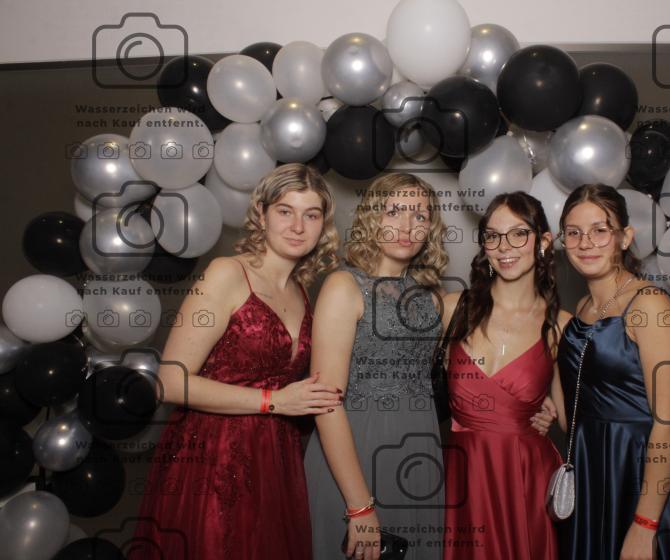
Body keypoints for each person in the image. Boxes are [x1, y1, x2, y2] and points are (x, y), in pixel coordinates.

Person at [128, 164, 341, 560]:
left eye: (311, 215)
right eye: (285, 211)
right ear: (262, 214)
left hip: (276, 457)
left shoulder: (302, 292)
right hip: (214, 453)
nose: (298, 226)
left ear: (322, 226)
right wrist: (274, 401)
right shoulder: (227, 273)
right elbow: (170, 382)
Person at [304, 173, 451, 560]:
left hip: (419, 452)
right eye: (395, 211)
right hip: (355, 453)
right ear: (373, 216)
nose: (407, 226)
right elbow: (325, 401)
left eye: (419, 216)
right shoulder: (343, 286)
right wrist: (359, 506)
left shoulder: (431, 297)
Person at [555, 184, 670, 560]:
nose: (586, 243)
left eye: (600, 230)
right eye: (574, 232)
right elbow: (576, 412)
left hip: (640, 479)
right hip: (592, 474)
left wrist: (645, 523)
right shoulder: (583, 307)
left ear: (625, 237)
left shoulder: (650, 305)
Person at [440, 191, 570, 560]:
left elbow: (577, 422)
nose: (504, 246)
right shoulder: (452, 309)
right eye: (493, 236)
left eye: (518, 233)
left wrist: (546, 412)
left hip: (525, 481)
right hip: (461, 478)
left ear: (543, 241)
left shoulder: (561, 326)